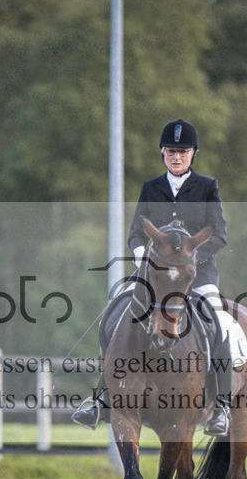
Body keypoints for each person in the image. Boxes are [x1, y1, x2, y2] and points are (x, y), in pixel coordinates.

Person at [73, 118, 234, 436]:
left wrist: (187, 259)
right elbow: (136, 233)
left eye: (183, 151)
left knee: (218, 322)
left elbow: (219, 235)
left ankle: (221, 407)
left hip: (196, 275)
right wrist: (139, 255)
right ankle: (103, 398)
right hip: (155, 274)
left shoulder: (206, 187)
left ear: (193, 154)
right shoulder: (151, 188)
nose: (177, 157)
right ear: (163, 153)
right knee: (117, 316)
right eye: (172, 151)